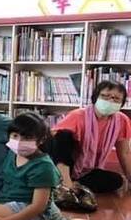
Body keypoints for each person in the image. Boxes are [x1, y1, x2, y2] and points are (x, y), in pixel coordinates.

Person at [0, 113, 131, 220]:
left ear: (40, 140)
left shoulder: (43, 166)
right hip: (13, 205)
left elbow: (38, 207)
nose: (19, 142)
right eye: (15, 136)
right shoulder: (12, 153)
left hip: (29, 212)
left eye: (27, 138)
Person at [50, 80, 131, 211]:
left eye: (116, 98)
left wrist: (130, 177)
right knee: (63, 135)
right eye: (105, 96)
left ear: (121, 103)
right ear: (95, 97)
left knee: (117, 181)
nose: (110, 100)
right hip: (63, 165)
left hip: (87, 170)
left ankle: (71, 185)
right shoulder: (78, 115)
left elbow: (125, 152)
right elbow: (53, 141)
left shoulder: (122, 121)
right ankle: (65, 183)